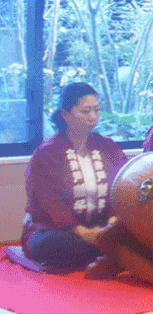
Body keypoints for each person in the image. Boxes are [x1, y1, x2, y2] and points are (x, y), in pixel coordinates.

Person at [21, 82, 128, 271]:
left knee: (138, 230)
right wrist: (84, 232)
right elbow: (49, 203)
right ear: (65, 114)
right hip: (56, 231)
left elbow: (123, 185)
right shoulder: (46, 154)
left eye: (96, 110)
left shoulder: (108, 146)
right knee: (56, 245)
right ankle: (112, 252)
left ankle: (109, 249)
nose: (93, 117)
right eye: (86, 112)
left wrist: (112, 224)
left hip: (102, 227)